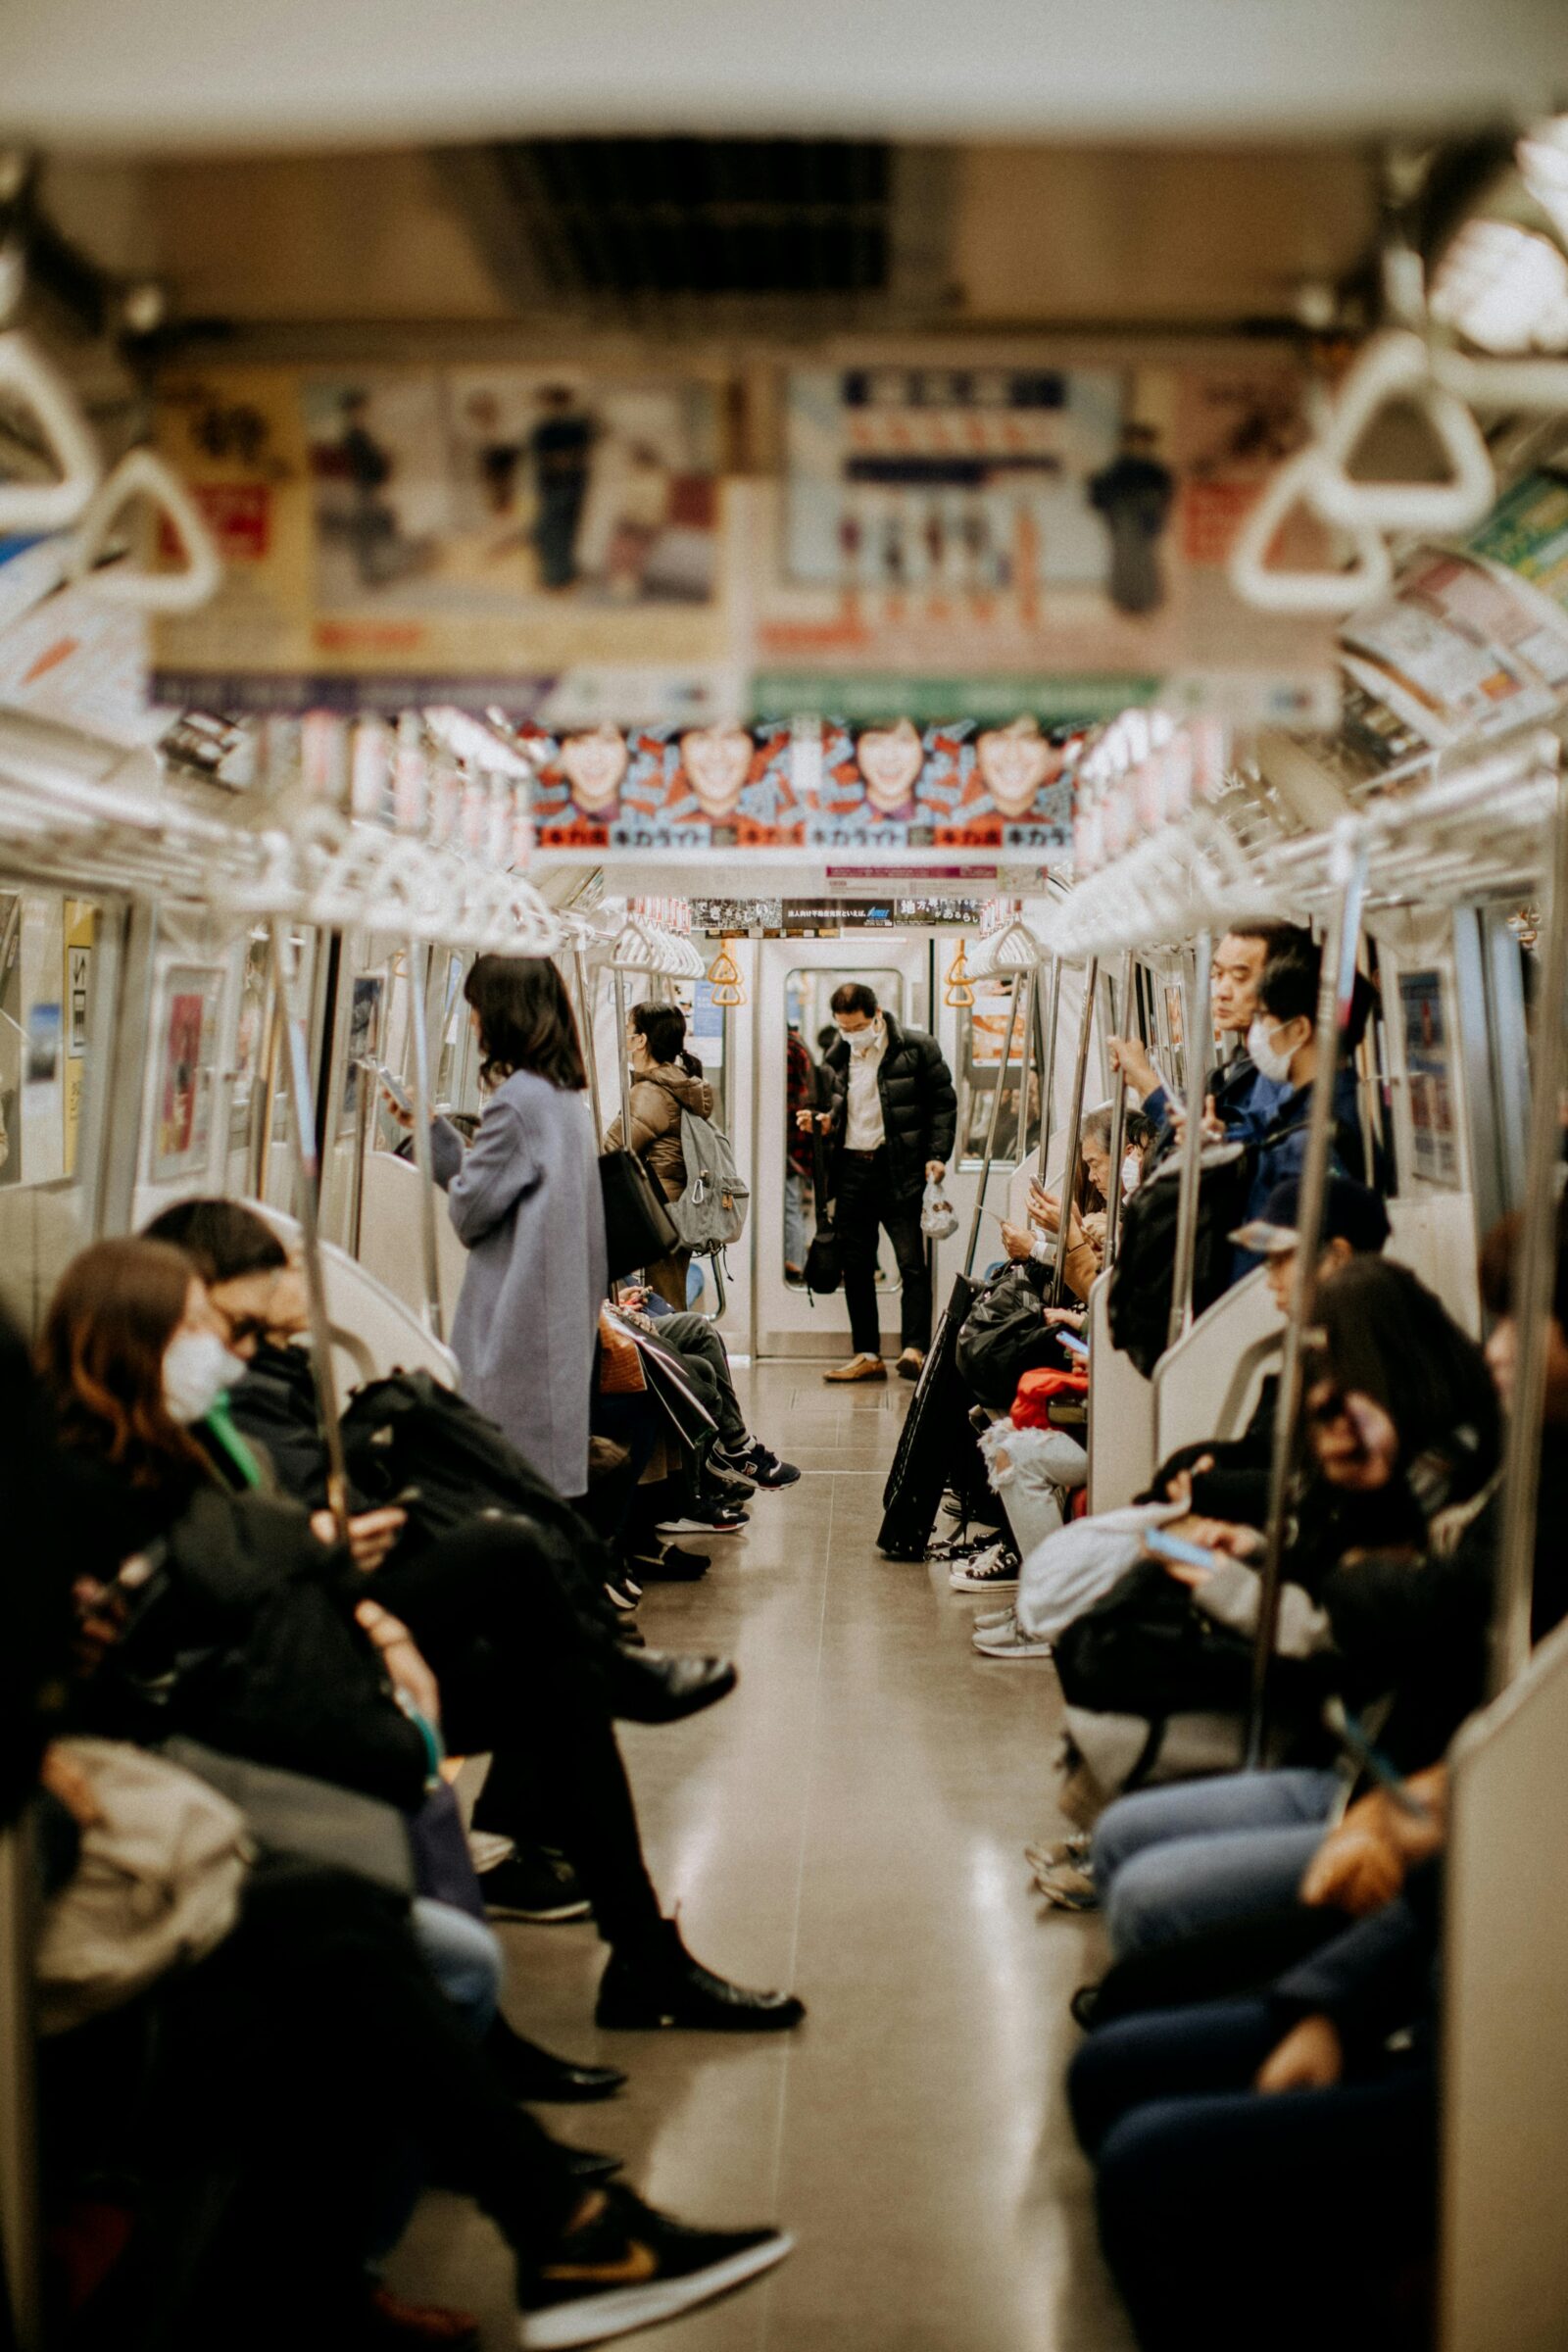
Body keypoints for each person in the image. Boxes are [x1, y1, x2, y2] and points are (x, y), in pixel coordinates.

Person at [48, 1234, 807, 2040]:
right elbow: (238, 1569)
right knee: (505, 1559)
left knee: (559, 1684)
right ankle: (608, 1676)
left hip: (318, 1635)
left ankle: (638, 1953)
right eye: (220, 1315)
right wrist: (334, 1564)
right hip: (266, 1680)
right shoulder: (134, 1461)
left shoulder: (238, 1399)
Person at [1058, 1256, 1499, 1956]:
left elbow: (1326, 1624)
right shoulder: (1373, 1444)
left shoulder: (1435, 1486)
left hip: (1356, 1762)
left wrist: (1220, 1575)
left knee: (1137, 1855)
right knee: (1118, 1822)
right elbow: (1319, 1552)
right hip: (1342, 1736)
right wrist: (1255, 1545)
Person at [410, 955, 606, 1502]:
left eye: (476, 1009)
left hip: (515, 1324)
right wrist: (437, 1133)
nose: (473, 1022)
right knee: (543, 1492)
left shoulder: (517, 1100)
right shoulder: (563, 1097)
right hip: (558, 1320)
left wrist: (436, 1146)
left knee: (501, 1481)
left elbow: (471, 1212)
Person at [804, 982, 956, 1384]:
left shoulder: (917, 1049)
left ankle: (915, 1349)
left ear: (877, 1015)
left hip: (899, 1168)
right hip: (852, 1169)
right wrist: (820, 1122)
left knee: (911, 1263)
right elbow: (832, 1108)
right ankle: (867, 1353)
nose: (851, 1034)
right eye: (843, 1027)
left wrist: (937, 1155)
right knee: (856, 1266)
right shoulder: (837, 1055)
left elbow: (943, 1103)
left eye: (856, 1026)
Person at [603, 1000, 715, 1311]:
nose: (625, 1037)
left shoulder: (650, 1093)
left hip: (659, 1212)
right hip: (676, 1208)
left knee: (663, 1306)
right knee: (669, 1298)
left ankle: (677, 1358)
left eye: (628, 1030)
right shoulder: (676, 1082)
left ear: (641, 1040)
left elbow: (610, 1152)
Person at [785, 1024, 817, 1283]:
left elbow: (788, 1102)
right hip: (800, 1143)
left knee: (789, 1205)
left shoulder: (786, 1049)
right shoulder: (799, 1045)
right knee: (792, 1205)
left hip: (790, 1143)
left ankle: (794, 1264)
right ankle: (796, 1260)